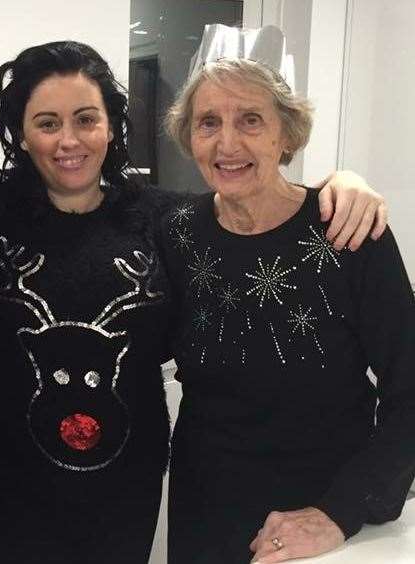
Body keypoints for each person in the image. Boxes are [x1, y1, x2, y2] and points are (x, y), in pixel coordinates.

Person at [0, 42, 387, 563]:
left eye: (86, 119)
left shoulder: (165, 220)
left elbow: (254, 214)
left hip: (127, 489)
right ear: (20, 134)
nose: (68, 140)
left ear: (112, 126)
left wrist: (340, 185)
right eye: (46, 123)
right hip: (15, 491)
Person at [161, 57, 415, 564]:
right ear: (189, 137)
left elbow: (410, 390)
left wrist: (339, 512)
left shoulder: (347, 231)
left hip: (325, 514)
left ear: (287, 133)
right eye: (209, 122)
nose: (227, 144)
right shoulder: (174, 231)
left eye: (250, 120)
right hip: (204, 510)